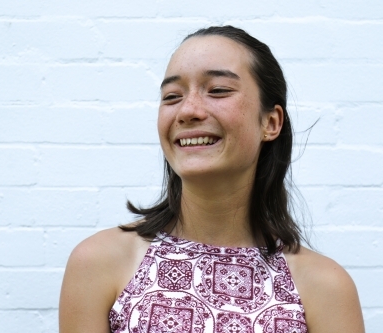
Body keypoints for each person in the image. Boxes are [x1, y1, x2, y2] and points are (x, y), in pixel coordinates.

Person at [59, 26, 365, 333]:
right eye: (172, 96)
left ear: (270, 122)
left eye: (218, 90)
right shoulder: (99, 262)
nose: (188, 110)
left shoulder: (325, 287)